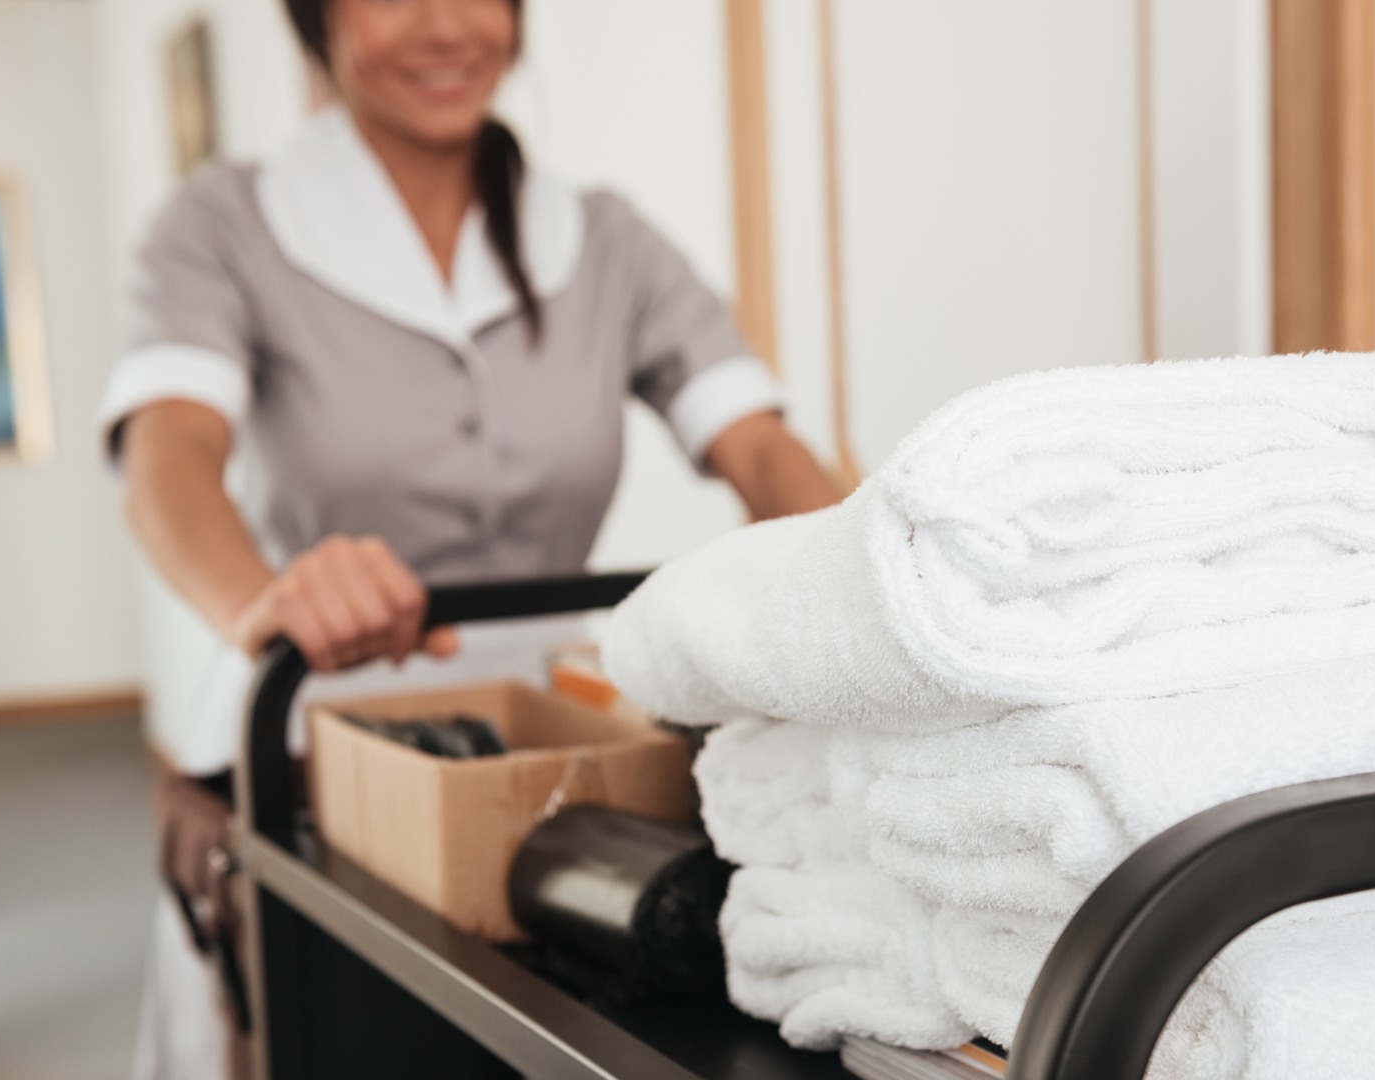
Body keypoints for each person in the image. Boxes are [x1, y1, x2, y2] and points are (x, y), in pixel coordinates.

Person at [99, 0, 843, 1075]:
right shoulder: (224, 224)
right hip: (309, 746)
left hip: (549, 752)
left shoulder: (607, 242)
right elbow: (165, 454)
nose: (447, 26)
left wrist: (855, 586)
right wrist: (259, 601)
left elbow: (763, 450)